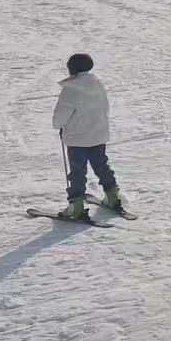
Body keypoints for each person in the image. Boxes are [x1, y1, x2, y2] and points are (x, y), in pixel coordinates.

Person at [52, 53, 126, 218]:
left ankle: (76, 206)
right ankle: (112, 196)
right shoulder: (98, 84)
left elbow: (60, 117)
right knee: (101, 165)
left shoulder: (71, 89)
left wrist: (58, 125)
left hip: (78, 139)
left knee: (78, 171)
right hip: (98, 135)